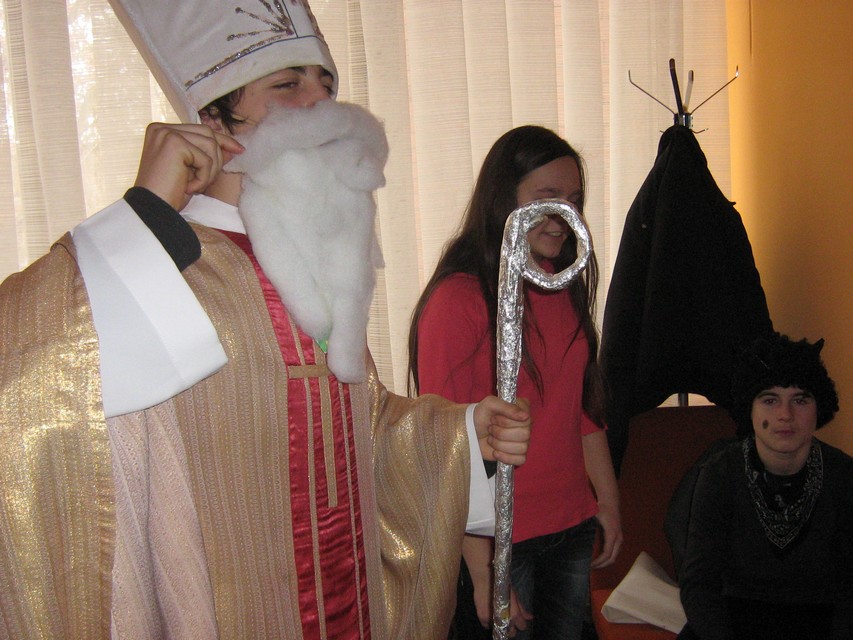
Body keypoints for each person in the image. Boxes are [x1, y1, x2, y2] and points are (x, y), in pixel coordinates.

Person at [0, 2, 532, 639]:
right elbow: (35, 384)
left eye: (327, 84)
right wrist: (146, 213)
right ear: (211, 123)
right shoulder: (156, 266)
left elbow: (355, 431)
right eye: (287, 84)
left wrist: (461, 437)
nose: (322, 104)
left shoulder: (318, 266)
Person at [408, 125, 623, 639]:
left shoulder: (559, 284)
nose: (563, 216)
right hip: (501, 537)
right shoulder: (458, 301)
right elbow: (449, 447)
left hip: (570, 524)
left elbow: (580, 410)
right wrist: (485, 573)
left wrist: (608, 500)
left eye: (574, 200)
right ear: (504, 200)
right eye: (547, 197)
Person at [674, 332, 853, 640]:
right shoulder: (719, 475)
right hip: (731, 622)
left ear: (819, 408)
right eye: (770, 400)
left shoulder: (844, 476)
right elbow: (699, 585)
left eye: (800, 400)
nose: (785, 415)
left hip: (821, 622)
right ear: (750, 409)